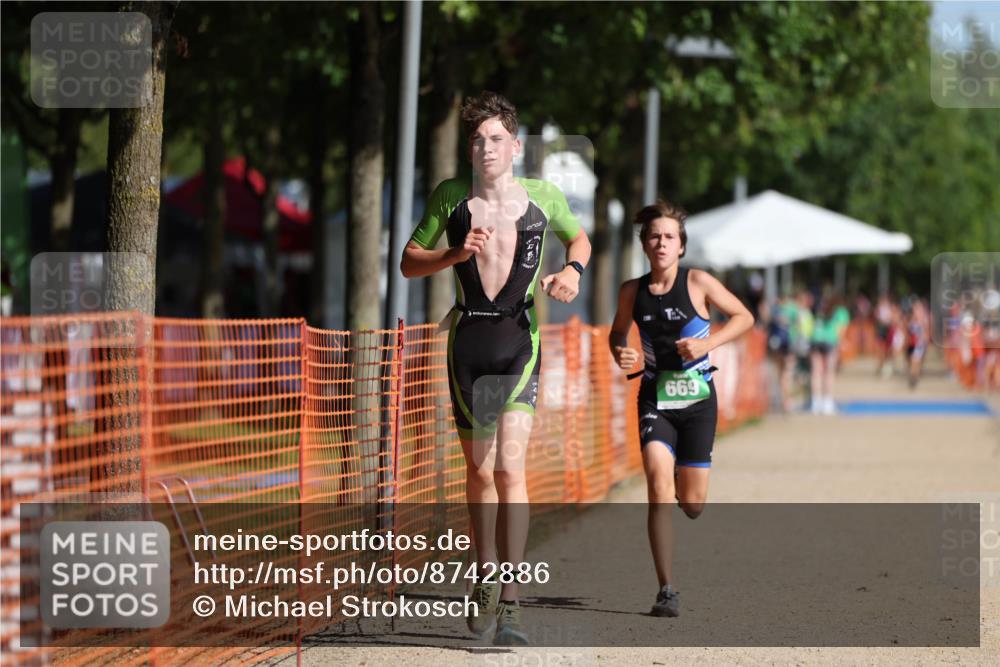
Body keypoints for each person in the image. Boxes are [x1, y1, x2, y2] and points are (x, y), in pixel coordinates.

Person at [400, 91, 591, 645]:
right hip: (467, 345)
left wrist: (573, 271)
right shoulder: (450, 198)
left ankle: (511, 600)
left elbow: (577, 238)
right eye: (478, 140)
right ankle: (483, 571)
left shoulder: (542, 197)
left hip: (517, 343)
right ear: (469, 149)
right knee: (481, 473)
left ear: (515, 145)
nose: (486, 148)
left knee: (510, 469)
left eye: (496, 139)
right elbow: (411, 261)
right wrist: (452, 255)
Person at [607, 200, 753, 617]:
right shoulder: (631, 292)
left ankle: (679, 472)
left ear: (681, 247)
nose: (661, 243)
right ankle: (666, 589)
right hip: (655, 398)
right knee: (657, 491)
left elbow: (745, 317)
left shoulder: (700, 283)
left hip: (698, 403)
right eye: (654, 236)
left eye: (669, 237)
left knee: (692, 504)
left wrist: (707, 344)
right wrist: (621, 351)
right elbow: (618, 332)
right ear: (644, 245)